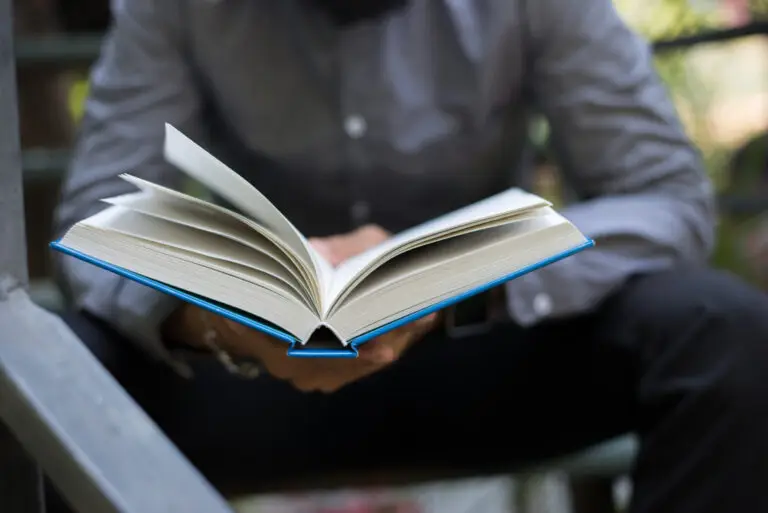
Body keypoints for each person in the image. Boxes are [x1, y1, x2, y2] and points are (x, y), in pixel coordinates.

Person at [53, 0, 768, 512]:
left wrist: (459, 277)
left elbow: (665, 196)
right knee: (50, 372)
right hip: (252, 373)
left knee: (722, 329)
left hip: (489, 351)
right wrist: (214, 317)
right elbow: (96, 216)